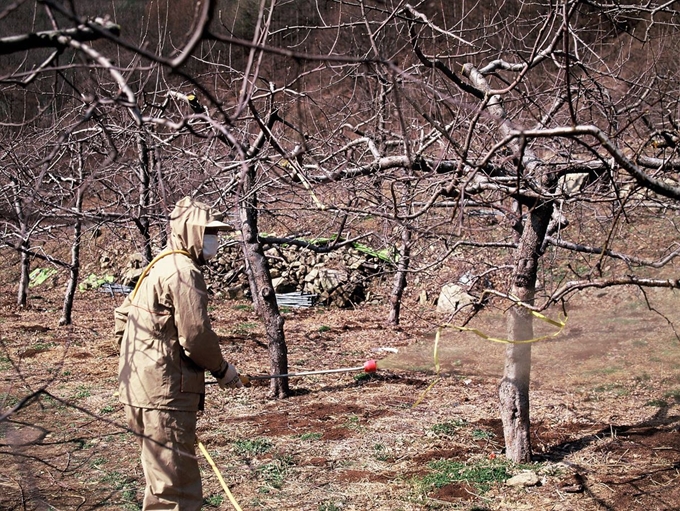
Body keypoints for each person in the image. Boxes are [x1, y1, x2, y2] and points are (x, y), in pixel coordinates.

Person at [114, 196, 243, 510]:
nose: (214, 241)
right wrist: (223, 370)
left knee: (162, 483)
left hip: (141, 392)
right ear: (192, 231)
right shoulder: (183, 271)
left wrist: (141, 365)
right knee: (176, 492)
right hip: (163, 398)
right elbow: (196, 337)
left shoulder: (159, 263)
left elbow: (121, 318)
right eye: (209, 233)